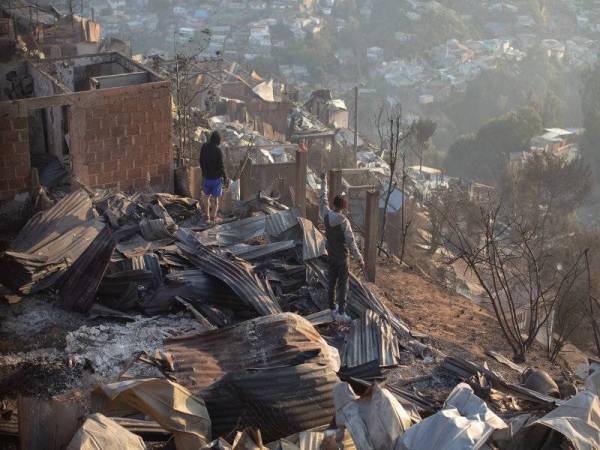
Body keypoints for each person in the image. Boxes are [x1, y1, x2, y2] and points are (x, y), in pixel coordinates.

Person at [320, 173, 365, 322]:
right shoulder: (343, 221)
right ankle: (341, 312)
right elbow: (351, 242)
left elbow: (322, 199)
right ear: (343, 207)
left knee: (331, 282)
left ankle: (332, 309)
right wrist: (359, 258)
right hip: (342, 257)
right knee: (343, 285)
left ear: (334, 204)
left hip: (331, 255)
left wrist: (323, 181)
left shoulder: (326, 214)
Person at [200, 131, 227, 222]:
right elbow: (221, 165)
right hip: (216, 179)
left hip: (206, 177)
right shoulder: (218, 150)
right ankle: (213, 217)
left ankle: (207, 216)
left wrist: (204, 172)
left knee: (206, 197)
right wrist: (225, 177)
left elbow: (201, 161)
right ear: (218, 140)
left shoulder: (204, 147)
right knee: (215, 199)